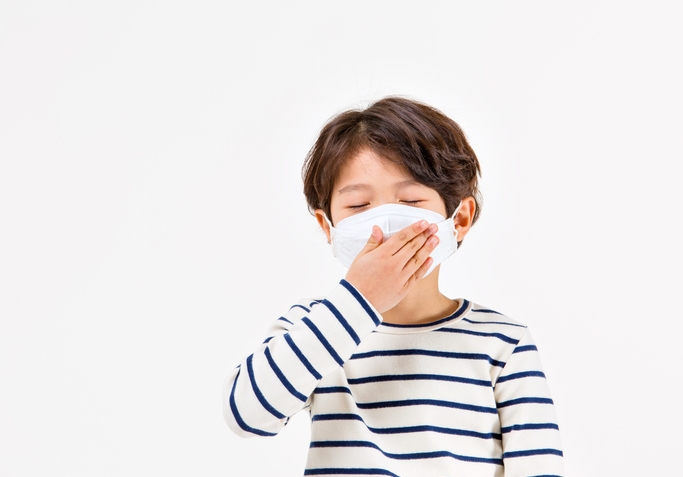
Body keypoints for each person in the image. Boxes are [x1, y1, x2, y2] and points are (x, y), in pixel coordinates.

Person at [224, 97, 564, 476]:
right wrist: (359, 300)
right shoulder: (316, 325)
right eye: (358, 205)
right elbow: (245, 415)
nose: (383, 223)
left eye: (411, 200)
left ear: (459, 220)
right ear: (327, 227)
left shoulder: (503, 343)